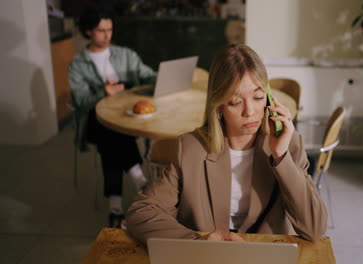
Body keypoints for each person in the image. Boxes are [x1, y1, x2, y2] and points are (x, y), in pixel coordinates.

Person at [127, 44, 327, 243]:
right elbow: (141, 212)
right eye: (235, 102)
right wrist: (198, 241)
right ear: (219, 106)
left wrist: (281, 157)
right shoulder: (190, 148)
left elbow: (315, 228)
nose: (250, 111)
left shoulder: (289, 144)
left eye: (258, 97)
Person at [68, 4, 156, 228]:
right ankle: (140, 179)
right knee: (110, 129)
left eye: (110, 29)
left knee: (111, 145)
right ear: (88, 31)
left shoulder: (124, 54)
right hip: (94, 121)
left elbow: (146, 74)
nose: (108, 35)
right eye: (101, 31)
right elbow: (80, 102)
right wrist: (102, 93)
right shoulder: (78, 65)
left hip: (124, 117)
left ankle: (115, 207)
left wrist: (162, 77)